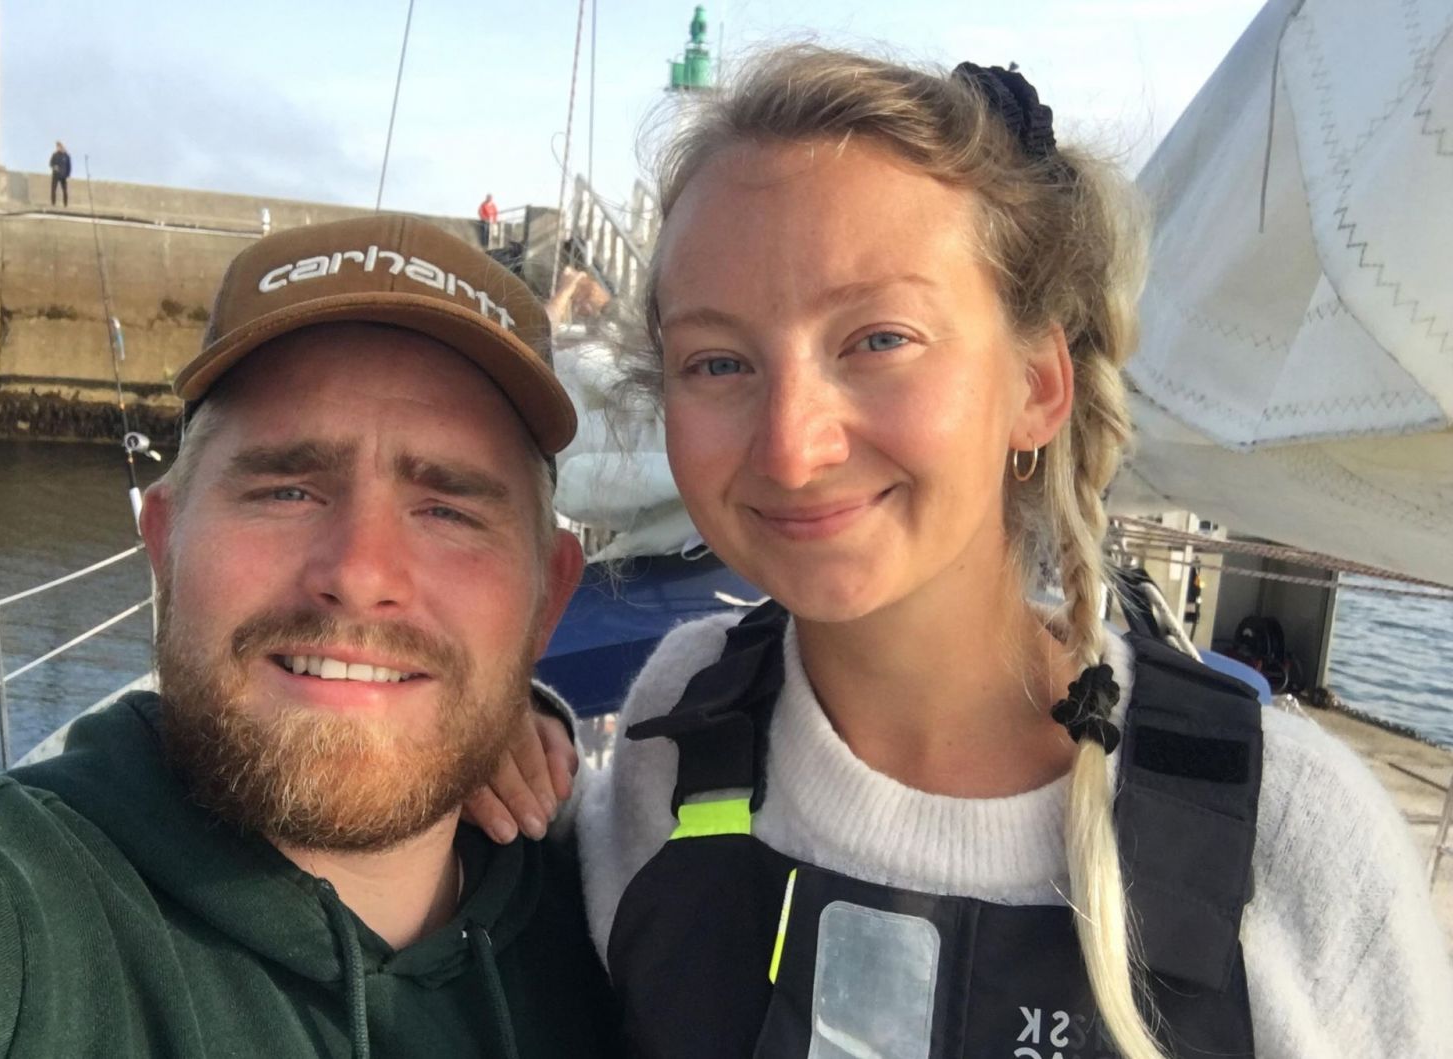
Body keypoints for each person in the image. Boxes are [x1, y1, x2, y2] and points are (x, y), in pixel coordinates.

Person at [470, 45, 1453, 1059]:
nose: (791, 449)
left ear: (1038, 386)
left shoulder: (1290, 842)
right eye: (719, 362)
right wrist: (468, 738)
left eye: (879, 340)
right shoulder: (674, 736)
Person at [0, 214, 619, 1056]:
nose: (360, 572)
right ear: (164, 547)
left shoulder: (628, 928)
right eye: (286, 491)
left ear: (548, 597)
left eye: (447, 510)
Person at [49, 141, 71, 206]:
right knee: (53, 189)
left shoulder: (66, 156)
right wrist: (54, 167)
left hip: (63, 176)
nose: (59, 148)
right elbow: (51, 163)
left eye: (60, 146)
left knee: (65, 191)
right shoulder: (54, 155)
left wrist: (68, 175)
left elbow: (69, 166)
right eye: (57, 147)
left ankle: (65, 204)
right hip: (55, 175)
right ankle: (53, 203)